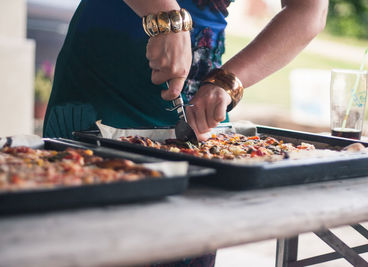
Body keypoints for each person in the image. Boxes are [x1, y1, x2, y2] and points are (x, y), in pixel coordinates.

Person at [43, 0, 328, 266]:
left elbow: (308, 11)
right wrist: (164, 14)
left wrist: (228, 81)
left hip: (200, 100)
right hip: (101, 85)